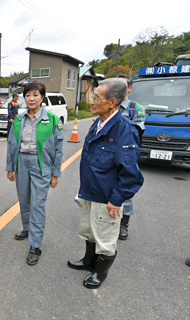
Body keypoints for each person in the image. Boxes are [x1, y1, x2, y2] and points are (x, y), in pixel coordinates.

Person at [67, 78, 144, 289]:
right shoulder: (98, 124)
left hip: (107, 196)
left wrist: (116, 200)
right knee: (89, 230)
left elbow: (130, 173)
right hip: (90, 190)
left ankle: (100, 273)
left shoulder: (125, 130)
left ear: (112, 102)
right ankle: (88, 261)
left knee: (106, 238)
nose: (91, 101)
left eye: (96, 97)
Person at [6, 81, 64, 265]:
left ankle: (35, 245)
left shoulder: (52, 119)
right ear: (24, 97)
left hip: (42, 165)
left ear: (42, 97)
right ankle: (27, 228)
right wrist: (10, 167)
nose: (31, 98)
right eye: (28, 95)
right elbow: (11, 144)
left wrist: (55, 173)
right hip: (21, 162)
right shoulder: (18, 119)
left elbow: (59, 149)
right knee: (24, 199)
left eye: (35, 95)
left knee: (37, 204)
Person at [116, 74, 145, 241]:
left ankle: (124, 223)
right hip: (109, 155)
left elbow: (136, 132)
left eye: (122, 85)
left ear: (130, 88)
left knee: (125, 188)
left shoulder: (135, 108)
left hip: (127, 154)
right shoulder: (109, 103)